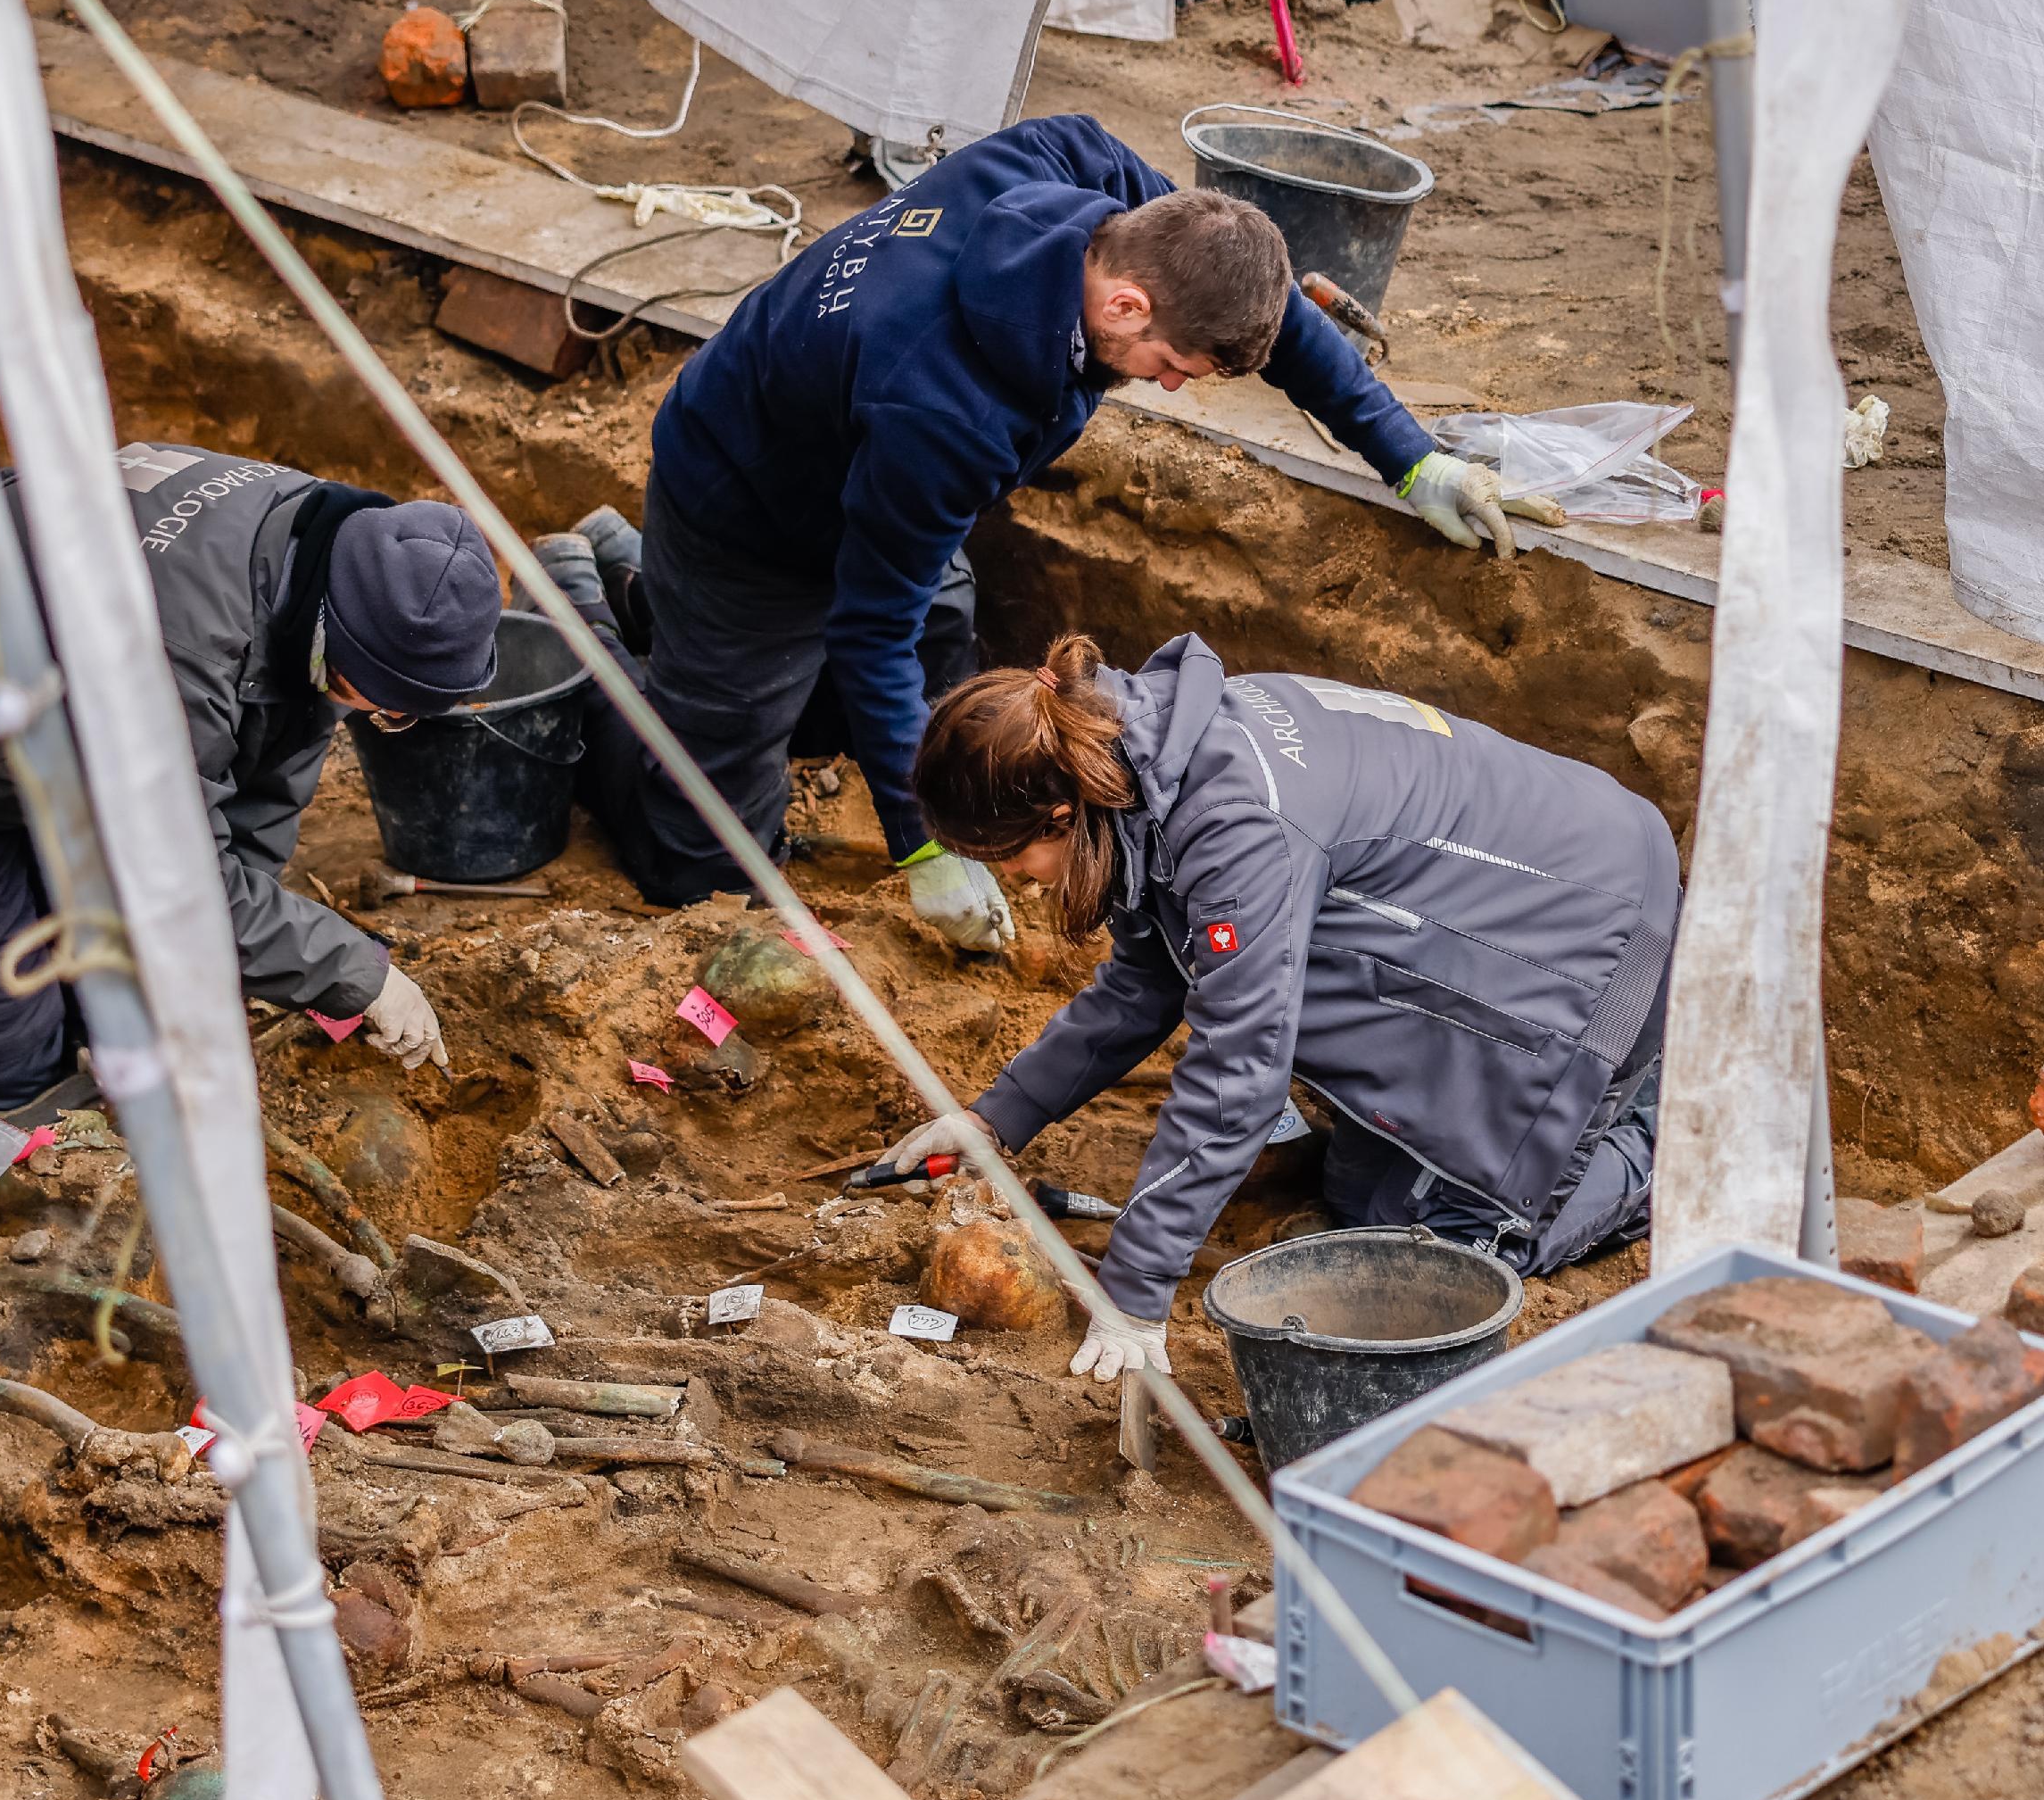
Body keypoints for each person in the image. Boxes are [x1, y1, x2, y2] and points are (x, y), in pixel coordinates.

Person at [552, 114, 1533, 944]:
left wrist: (1409, 456)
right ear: (1123, 304)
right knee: (709, 856)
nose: (1173, 384)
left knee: (942, 704)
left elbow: (1255, 306)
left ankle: (645, 591)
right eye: (1171, 365)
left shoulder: (1083, 172)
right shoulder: (945, 408)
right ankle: (582, 617)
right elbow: (869, 623)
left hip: (877, 484)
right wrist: (922, 849)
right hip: (747, 510)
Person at [885, 633, 1680, 1383]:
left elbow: (1242, 1070)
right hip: (1501, 911)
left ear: (1061, 815)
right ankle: (1576, 1109)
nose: (1024, 879)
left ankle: (1657, 1148)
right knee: (1358, 1201)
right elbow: (1146, 981)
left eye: (1014, 857)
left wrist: (1133, 1291)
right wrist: (997, 1119)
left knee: (1444, 1258)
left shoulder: (1234, 824)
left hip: (1594, 946)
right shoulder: (1139, 764)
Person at [0, 444, 500, 1111]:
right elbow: (170, 882)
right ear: (341, 645)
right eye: (385, 708)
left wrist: (214, 964)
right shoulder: (173, 646)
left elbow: (266, 770)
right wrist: (353, 972)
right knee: (11, 1066)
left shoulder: (320, 558)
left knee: (116, 998)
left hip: (45, 728)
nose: (378, 722)